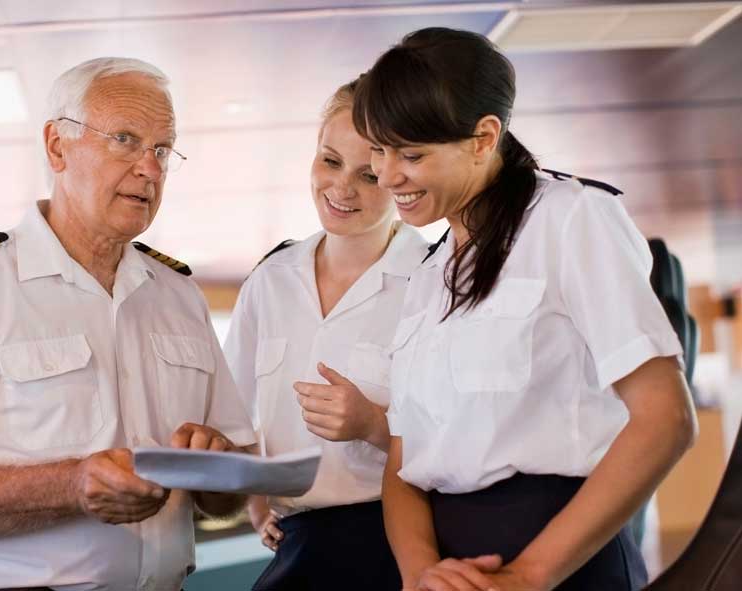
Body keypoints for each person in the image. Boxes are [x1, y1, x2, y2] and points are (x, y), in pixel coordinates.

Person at [0, 57, 255, 591]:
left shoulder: (179, 296)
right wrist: (73, 484)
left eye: (162, 149)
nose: (150, 168)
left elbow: (226, 496)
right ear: (57, 146)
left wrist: (216, 467)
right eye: (125, 139)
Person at [350, 28, 698, 591]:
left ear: (484, 137)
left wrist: (528, 577)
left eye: (411, 155)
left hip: (561, 559)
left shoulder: (571, 218)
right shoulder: (428, 276)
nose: (388, 175)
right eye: (379, 151)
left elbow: (666, 419)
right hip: (447, 569)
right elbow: (404, 459)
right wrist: (421, 575)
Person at [223, 78, 428, 590]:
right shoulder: (270, 279)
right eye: (330, 161)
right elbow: (232, 414)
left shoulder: (432, 280)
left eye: (369, 174)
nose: (342, 188)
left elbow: (465, 445)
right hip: (298, 540)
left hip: (394, 541)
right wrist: (256, 501)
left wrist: (374, 424)